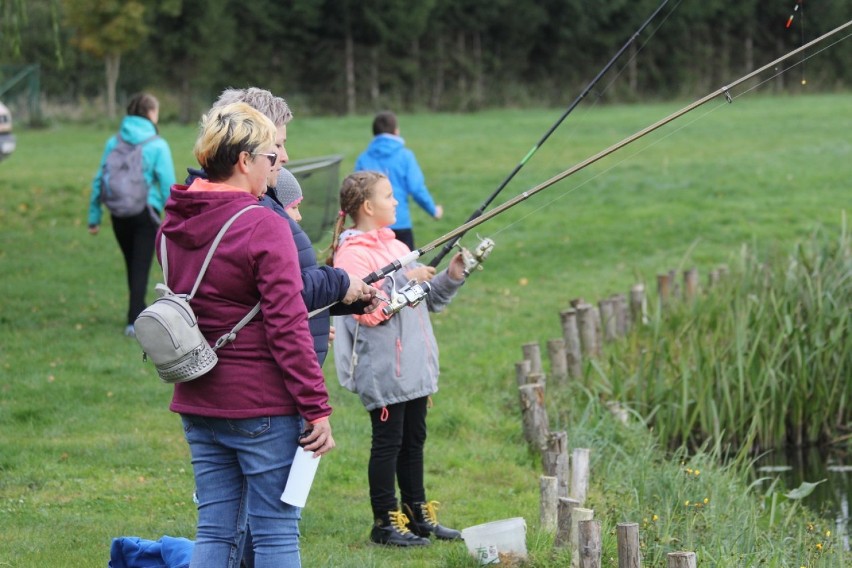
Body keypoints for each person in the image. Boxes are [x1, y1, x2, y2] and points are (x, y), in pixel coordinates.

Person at [161, 101, 335, 567]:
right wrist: (316, 407)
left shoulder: (175, 217)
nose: (277, 166)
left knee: (215, 532)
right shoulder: (262, 224)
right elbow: (288, 325)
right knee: (276, 534)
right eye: (272, 158)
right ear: (244, 161)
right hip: (261, 404)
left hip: (197, 397)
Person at [327, 171, 467, 547]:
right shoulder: (352, 253)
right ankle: (385, 522)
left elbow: (427, 299)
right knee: (388, 442)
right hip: (383, 368)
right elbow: (366, 310)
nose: (396, 202)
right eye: (389, 196)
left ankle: (417, 515)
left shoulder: (396, 246)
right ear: (368, 207)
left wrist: (450, 277)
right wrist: (406, 280)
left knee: (414, 439)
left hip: (415, 365)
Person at [88, 93, 176, 337]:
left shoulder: (113, 141)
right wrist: (177, 219)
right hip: (145, 213)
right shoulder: (157, 144)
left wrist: (94, 217)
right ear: (150, 114)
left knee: (132, 263)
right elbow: (168, 183)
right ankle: (134, 320)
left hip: (117, 213)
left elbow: (99, 179)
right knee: (140, 266)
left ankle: (135, 311)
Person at [354, 111, 443, 250]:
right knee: (407, 269)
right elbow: (416, 188)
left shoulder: (363, 158)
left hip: (371, 226)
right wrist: (433, 210)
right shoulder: (405, 156)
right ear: (396, 131)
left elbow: (355, 193)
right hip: (399, 223)